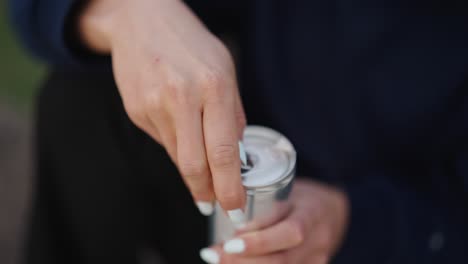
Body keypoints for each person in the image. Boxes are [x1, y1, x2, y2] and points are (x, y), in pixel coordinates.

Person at [9, 0, 468, 263]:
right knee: (84, 99)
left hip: (400, 239)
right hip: (230, 201)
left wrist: (353, 223)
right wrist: (128, 14)